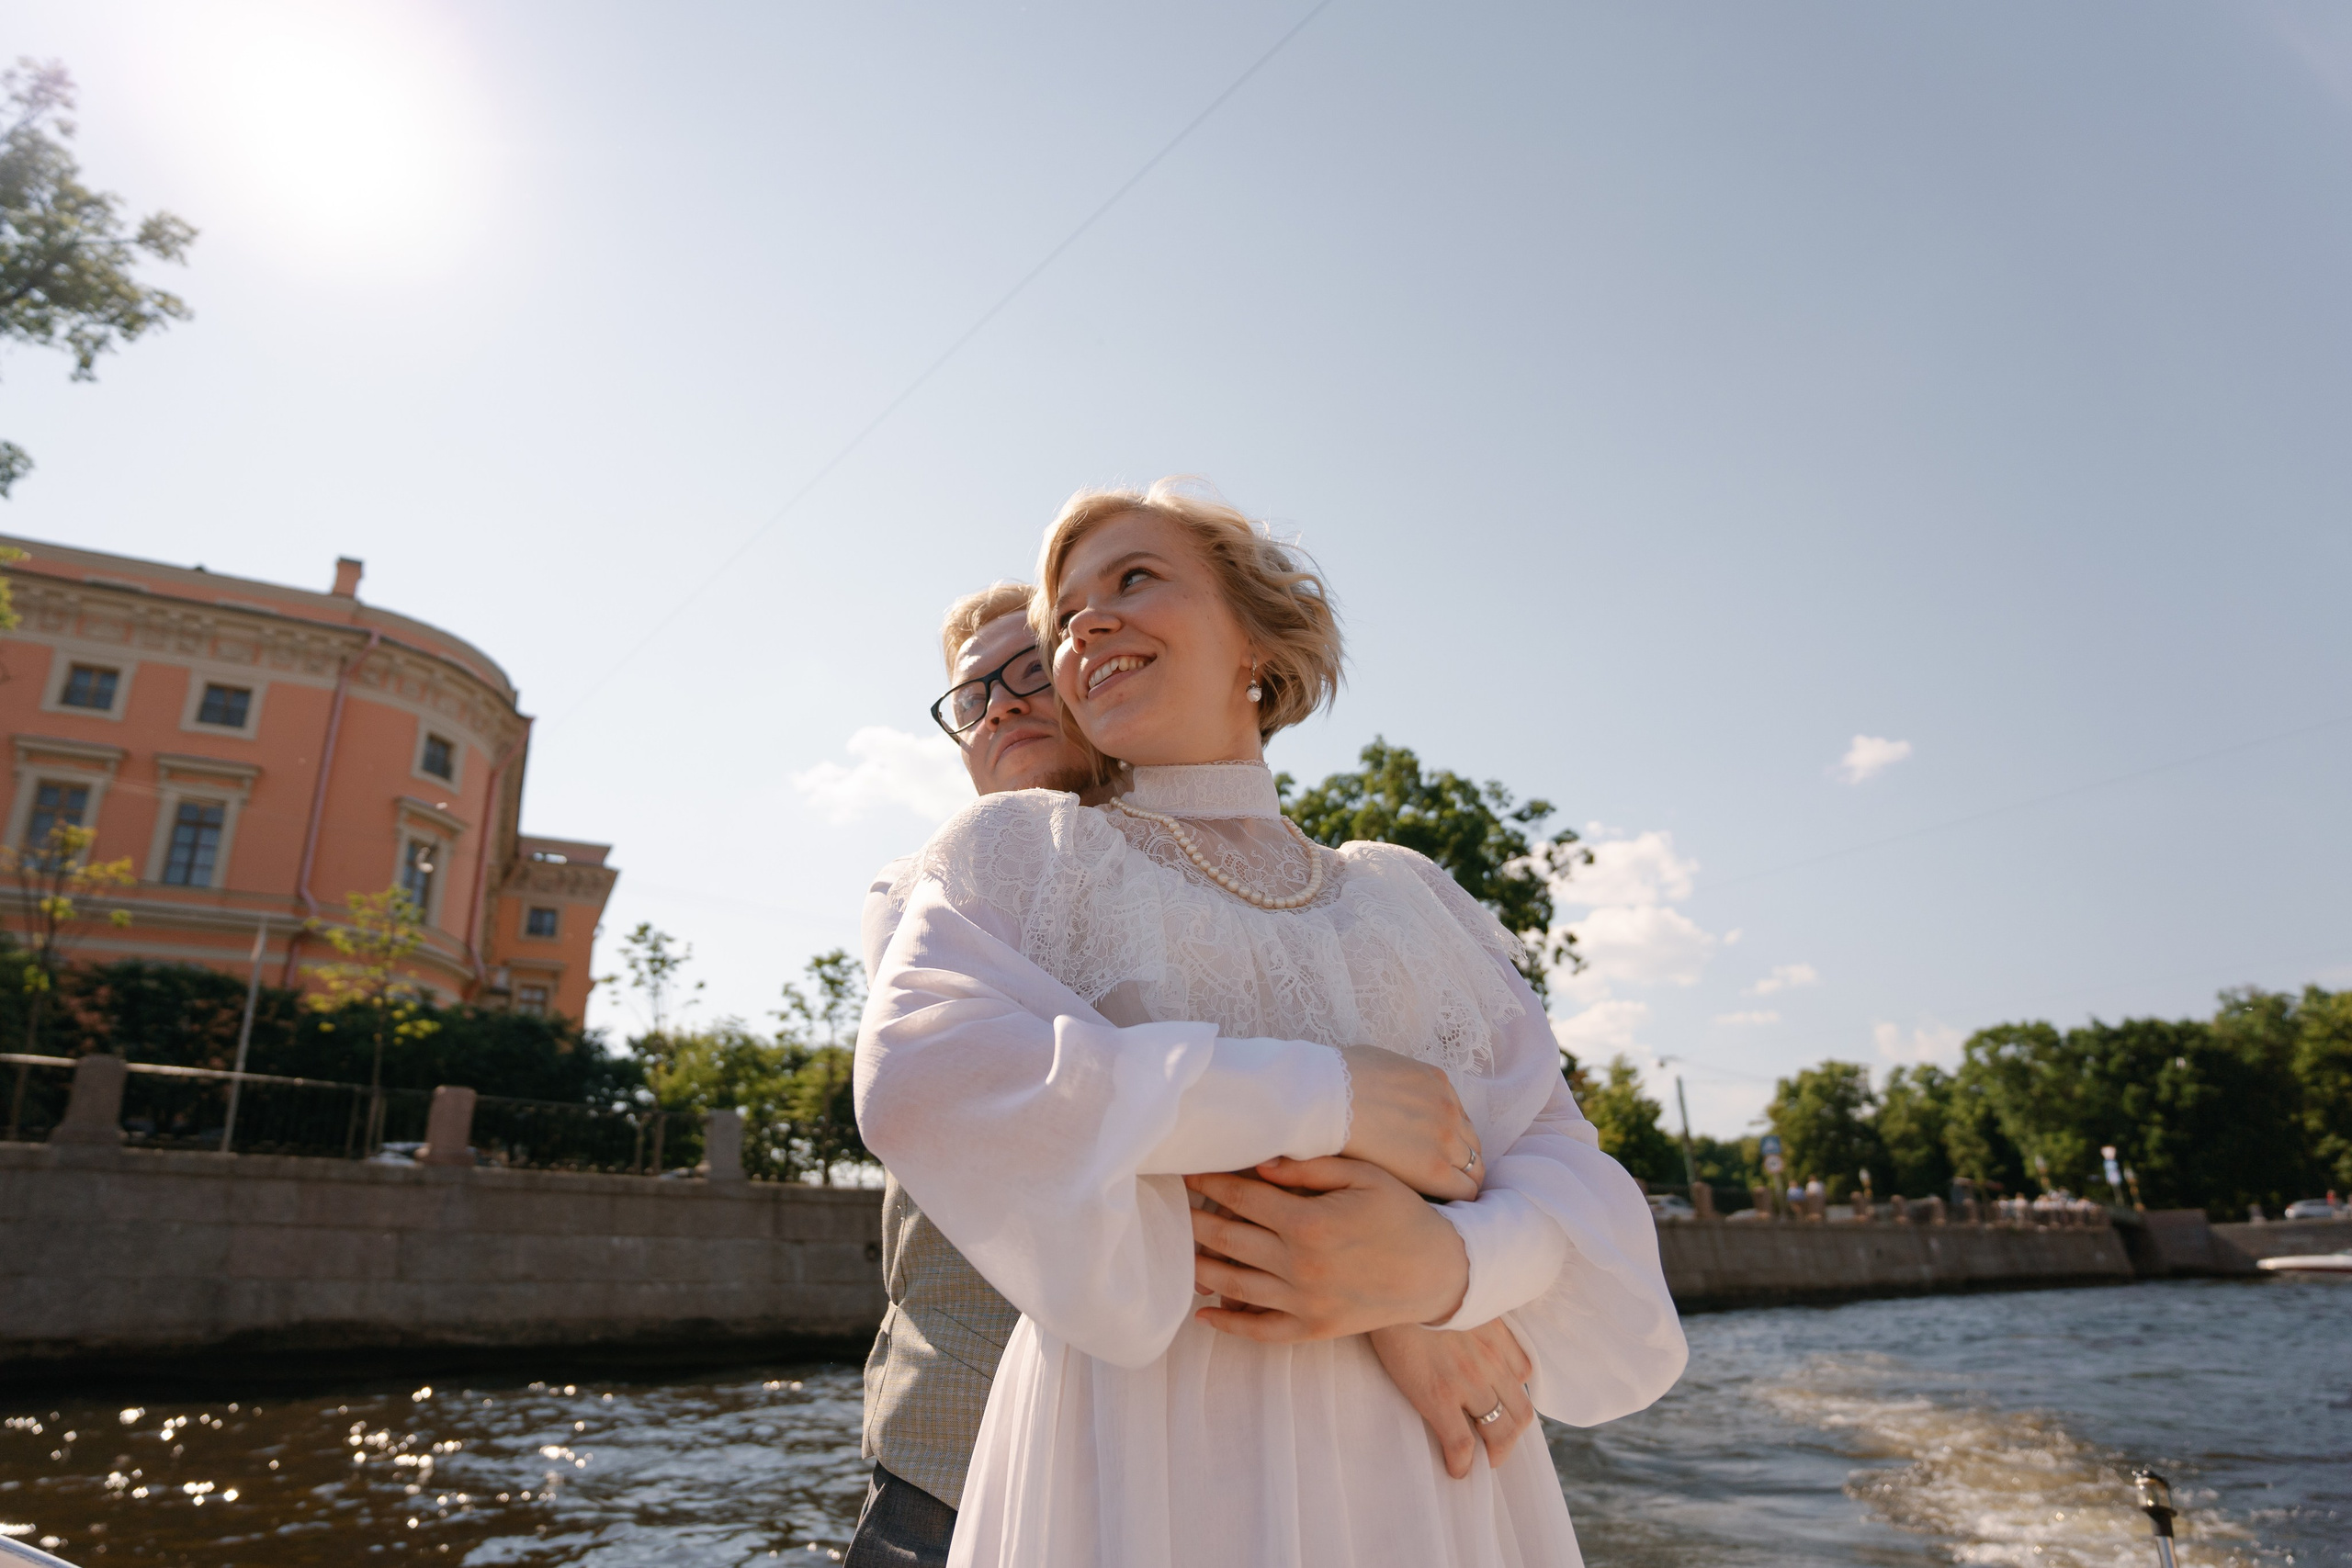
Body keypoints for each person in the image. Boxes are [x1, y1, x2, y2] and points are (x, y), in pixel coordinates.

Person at [857, 482, 1685, 1567]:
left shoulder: (1410, 898)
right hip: (1128, 1460)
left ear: (1255, 636)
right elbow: (933, 1072)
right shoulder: (1016, 855)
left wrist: (1449, 1264)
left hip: (1420, 1481)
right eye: (1065, 618)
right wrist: (1334, 1098)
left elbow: (1555, 1157)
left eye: (1133, 578)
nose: (1085, 626)